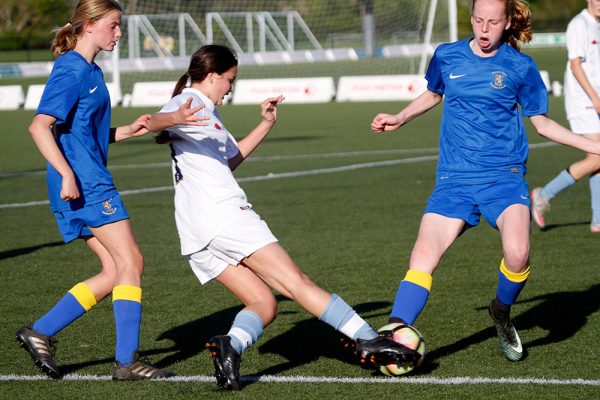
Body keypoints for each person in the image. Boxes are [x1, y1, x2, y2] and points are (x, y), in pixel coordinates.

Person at [147, 44, 420, 390]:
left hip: (197, 228)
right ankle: (367, 339)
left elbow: (230, 159)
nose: (231, 87)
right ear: (213, 76)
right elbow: (150, 122)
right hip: (223, 215)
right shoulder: (188, 103)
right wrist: (173, 118)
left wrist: (266, 124)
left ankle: (229, 345)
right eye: (229, 80)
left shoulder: (205, 109)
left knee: (263, 302)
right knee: (297, 283)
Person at [370, 0, 600, 363]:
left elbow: (542, 124)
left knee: (518, 253)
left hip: (503, 178)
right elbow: (434, 92)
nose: (483, 29)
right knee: (422, 256)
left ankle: (501, 312)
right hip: (454, 179)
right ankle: (395, 331)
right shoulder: (447, 55)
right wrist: (402, 116)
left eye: (493, 22)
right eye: (478, 20)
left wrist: (593, 145)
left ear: (508, 21)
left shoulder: (520, 67)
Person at [16, 0, 204, 380]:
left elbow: (83, 132)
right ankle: (127, 362)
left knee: (114, 270)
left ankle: (40, 332)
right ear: (88, 25)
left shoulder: (91, 70)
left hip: (86, 176)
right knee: (132, 262)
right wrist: (67, 174)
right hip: (85, 182)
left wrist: (127, 131)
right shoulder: (71, 69)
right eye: (114, 26)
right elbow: (39, 126)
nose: (119, 33)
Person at [530, 0, 600, 232]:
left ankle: (598, 220)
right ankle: (543, 195)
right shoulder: (579, 24)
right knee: (598, 157)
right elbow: (575, 66)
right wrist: (595, 98)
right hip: (584, 103)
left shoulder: (597, 25)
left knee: (597, 160)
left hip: (595, 101)